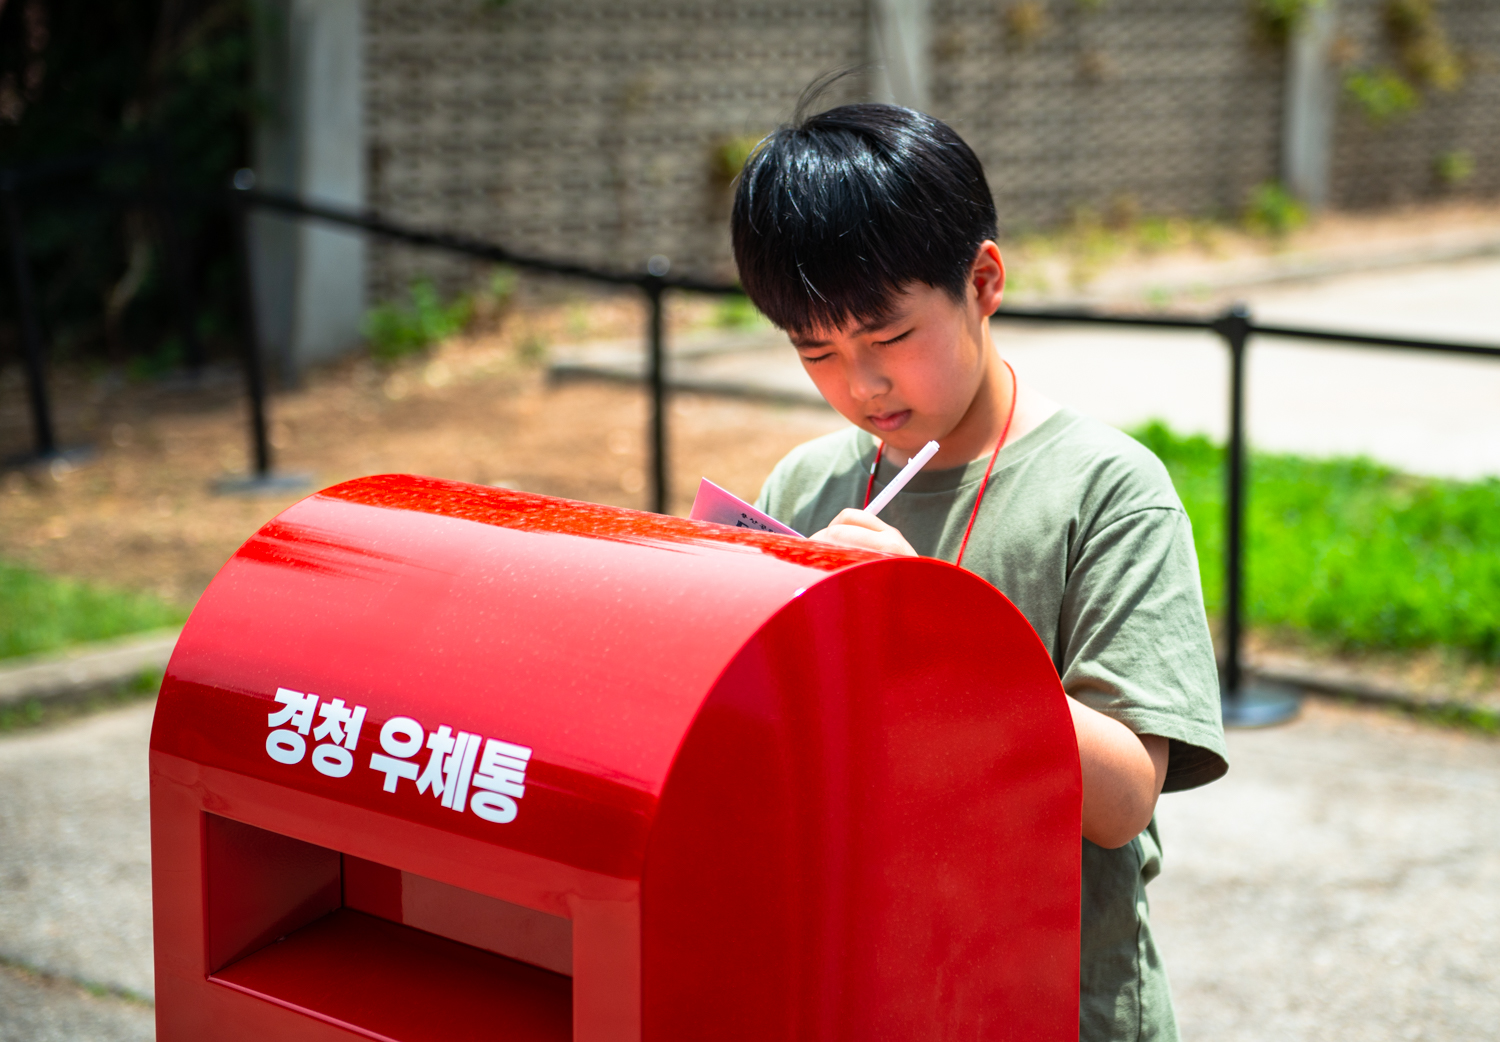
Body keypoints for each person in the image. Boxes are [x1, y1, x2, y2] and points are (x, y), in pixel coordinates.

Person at [733, 96, 1227, 1042]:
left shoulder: (1107, 490)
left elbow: (1123, 799)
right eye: (816, 351)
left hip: (1050, 997)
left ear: (984, 281)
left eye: (888, 337)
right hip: (864, 981)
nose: (861, 385)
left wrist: (925, 622)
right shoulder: (807, 484)